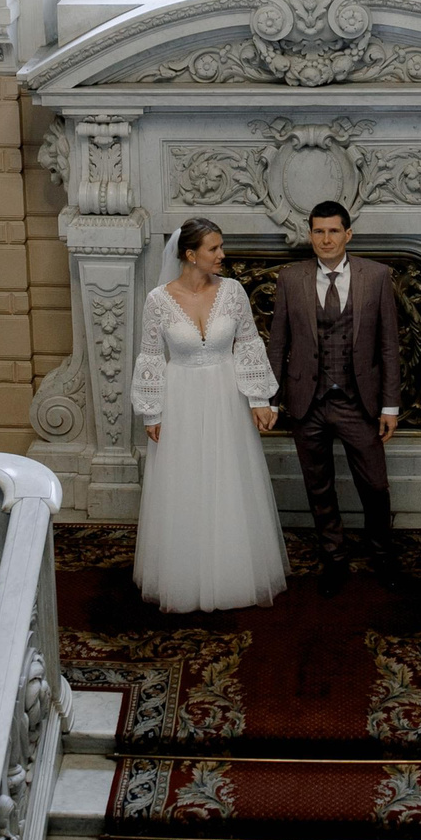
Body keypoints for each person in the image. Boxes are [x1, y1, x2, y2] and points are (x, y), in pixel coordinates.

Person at [129, 216, 287, 613]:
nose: (222, 254)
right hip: (179, 397)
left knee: (228, 480)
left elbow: (249, 343)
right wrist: (152, 413)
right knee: (184, 483)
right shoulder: (157, 301)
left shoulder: (233, 292)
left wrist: (259, 400)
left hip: (226, 396)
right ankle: (185, 577)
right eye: (213, 248)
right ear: (190, 255)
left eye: (221, 246)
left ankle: (232, 575)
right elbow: (150, 355)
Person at [267, 201, 403, 597]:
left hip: (358, 401)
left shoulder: (375, 276)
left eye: (333, 231)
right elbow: (278, 345)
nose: (325, 239)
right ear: (310, 235)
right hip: (306, 399)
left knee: (375, 486)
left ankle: (381, 555)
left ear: (348, 234)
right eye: (318, 232)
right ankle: (334, 557)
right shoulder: (290, 279)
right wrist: (271, 400)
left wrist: (389, 405)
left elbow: (389, 346)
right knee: (319, 485)